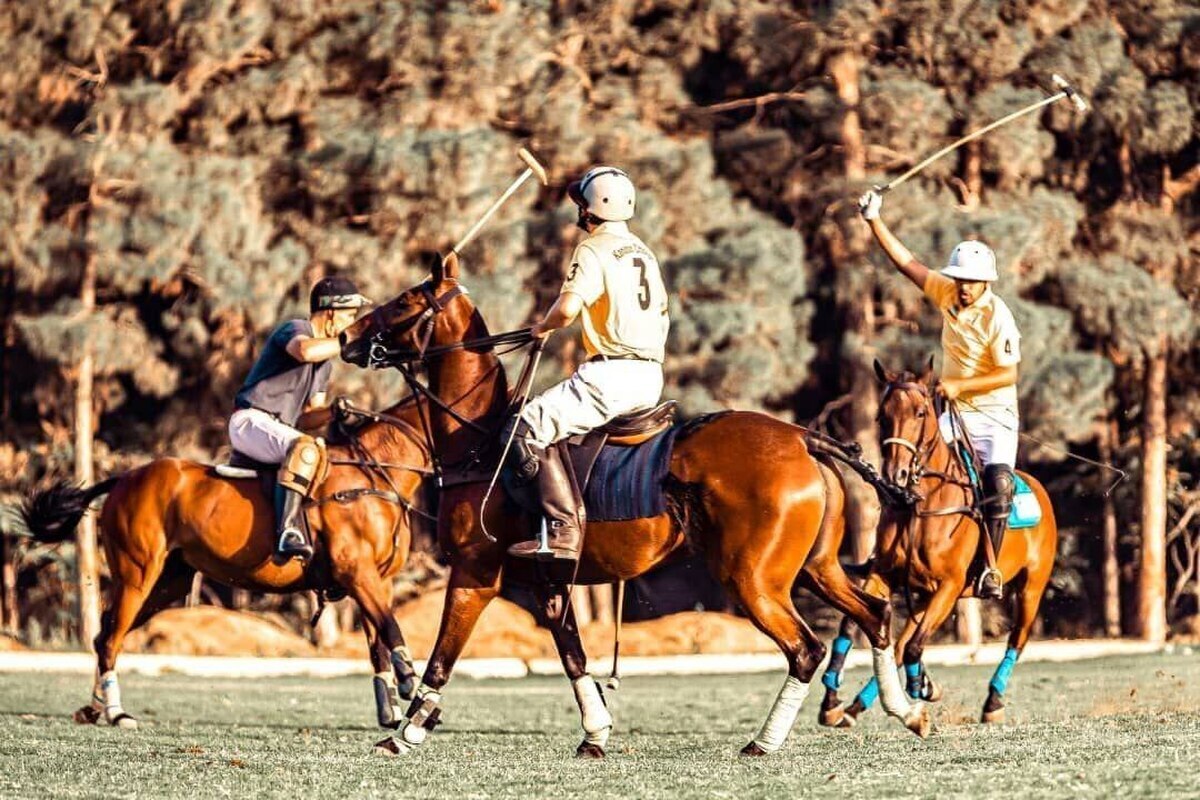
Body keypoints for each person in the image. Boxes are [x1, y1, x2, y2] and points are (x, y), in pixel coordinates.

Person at [858, 189, 1020, 599]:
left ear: (987, 282)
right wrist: (874, 219)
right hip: (953, 415)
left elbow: (1009, 374)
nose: (964, 288)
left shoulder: (998, 316)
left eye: (972, 282)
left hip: (995, 418)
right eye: (960, 280)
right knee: (911, 469)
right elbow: (905, 262)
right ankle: (893, 553)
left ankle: (990, 568)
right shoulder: (946, 293)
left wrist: (960, 385)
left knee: (998, 484)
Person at [506, 166, 670, 563]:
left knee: (524, 427)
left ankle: (562, 530)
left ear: (591, 209)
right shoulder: (642, 250)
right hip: (651, 375)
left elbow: (567, 308)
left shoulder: (593, 249)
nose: (579, 211)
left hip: (612, 375)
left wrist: (543, 328)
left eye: (581, 204)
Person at [228, 276, 370, 562]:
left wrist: (333, 411)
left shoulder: (325, 367)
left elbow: (306, 418)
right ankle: (286, 533)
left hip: (278, 431)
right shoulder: (296, 329)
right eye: (350, 316)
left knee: (317, 451)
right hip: (250, 421)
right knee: (305, 448)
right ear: (331, 312)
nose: (351, 323)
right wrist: (348, 340)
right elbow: (304, 351)